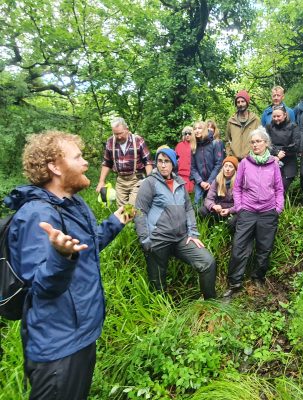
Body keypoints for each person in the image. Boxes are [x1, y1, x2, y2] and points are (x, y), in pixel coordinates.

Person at [4, 131, 132, 400]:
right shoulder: (38, 215)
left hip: (81, 334)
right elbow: (42, 287)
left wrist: (114, 223)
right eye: (78, 157)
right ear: (54, 166)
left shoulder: (72, 204)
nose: (86, 163)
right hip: (58, 349)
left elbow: (87, 246)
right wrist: (61, 257)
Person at [134, 147, 216, 299]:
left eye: (167, 161)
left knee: (207, 262)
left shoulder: (180, 182)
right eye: (160, 161)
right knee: (157, 284)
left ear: (173, 164)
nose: (163, 165)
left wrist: (193, 232)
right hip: (157, 240)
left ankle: (210, 303)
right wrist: (144, 238)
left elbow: (188, 208)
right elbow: (139, 211)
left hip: (181, 238)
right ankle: (162, 315)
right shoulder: (150, 183)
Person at [224, 127, 284, 298]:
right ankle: (234, 283)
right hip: (248, 211)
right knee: (239, 246)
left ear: (266, 143)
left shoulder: (273, 164)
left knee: (265, 248)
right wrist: (240, 207)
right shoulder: (244, 163)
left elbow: (279, 189)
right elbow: (237, 189)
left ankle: (258, 277)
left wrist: (278, 208)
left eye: (259, 141)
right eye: (252, 142)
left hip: (268, 212)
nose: (255, 144)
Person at [96, 117, 153, 206]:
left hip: (137, 179)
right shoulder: (110, 142)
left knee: (133, 207)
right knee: (121, 210)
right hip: (121, 180)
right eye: (116, 134)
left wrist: (150, 180)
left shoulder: (138, 140)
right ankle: (125, 219)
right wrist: (101, 181)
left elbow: (148, 161)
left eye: (121, 133)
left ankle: (136, 219)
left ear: (127, 129)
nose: (119, 136)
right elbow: (107, 163)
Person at [266, 105, 300, 193]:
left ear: (285, 115)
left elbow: (296, 145)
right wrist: (277, 152)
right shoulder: (269, 127)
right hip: (273, 160)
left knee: (282, 186)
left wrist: (283, 151)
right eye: (274, 116)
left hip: (289, 160)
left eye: (278, 116)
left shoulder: (293, 126)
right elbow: (266, 143)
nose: (276, 118)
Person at [199, 156, 239, 229]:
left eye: (230, 166)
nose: (227, 169)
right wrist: (213, 206)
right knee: (202, 210)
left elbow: (241, 204)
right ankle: (210, 231)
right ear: (222, 167)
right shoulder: (217, 180)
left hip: (232, 212)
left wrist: (229, 210)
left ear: (235, 170)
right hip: (218, 210)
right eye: (225, 166)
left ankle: (228, 236)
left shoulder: (239, 183)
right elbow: (208, 199)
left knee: (233, 221)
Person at [190, 121, 224, 205]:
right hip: (200, 181)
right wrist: (200, 181)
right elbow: (192, 167)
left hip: (213, 179)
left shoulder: (214, 143)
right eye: (195, 129)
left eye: (199, 128)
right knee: (197, 204)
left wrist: (209, 181)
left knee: (213, 203)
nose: (197, 130)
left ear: (205, 129)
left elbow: (218, 164)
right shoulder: (193, 146)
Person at [225, 90, 260, 160]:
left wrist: (256, 156)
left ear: (247, 103)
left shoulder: (255, 120)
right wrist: (229, 154)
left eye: (243, 101)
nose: (240, 104)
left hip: (251, 159)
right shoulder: (231, 121)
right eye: (238, 102)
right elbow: (227, 140)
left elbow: (260, 140)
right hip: (234, 159)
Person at [175, 126, 194, 193]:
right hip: (181, 175)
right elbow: (175, 160)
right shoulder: (179, 145)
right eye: (185, 133)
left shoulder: (195, 145)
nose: (187, 135)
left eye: (189, 133)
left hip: (192, 176)